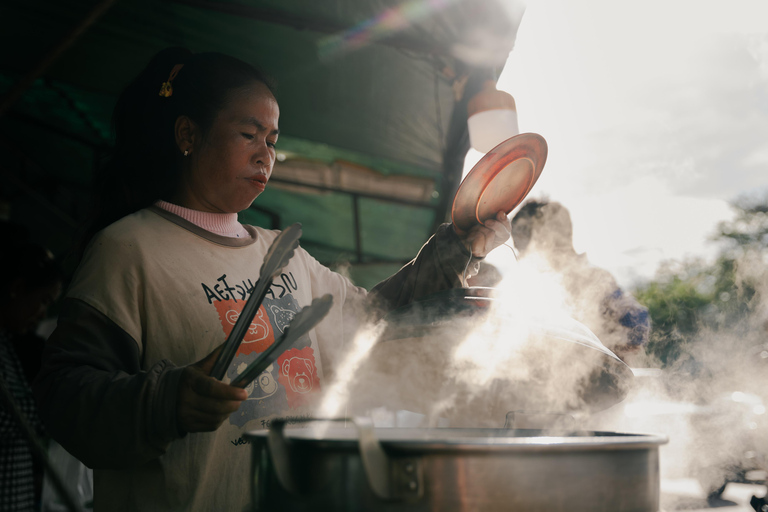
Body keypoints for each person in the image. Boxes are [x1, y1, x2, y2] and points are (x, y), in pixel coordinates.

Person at [32, 48, 509, 512]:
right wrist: (168, 400)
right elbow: (63, 396)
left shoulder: (285, 256)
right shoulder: (128, 250)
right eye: (249, 134)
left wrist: (457, 246)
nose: (266, 155)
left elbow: (374, 320)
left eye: (273, 141)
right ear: (187, 134)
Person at [509, 199, 650, 361]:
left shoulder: (595, 281)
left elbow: (637, 323)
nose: (520, 257)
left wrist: (596, 356)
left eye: (522, 247)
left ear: (547, 240)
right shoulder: (537, 287)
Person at [1, 235, 63, 512]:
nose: (42, 313)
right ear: (17, 288)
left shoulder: (8, 344)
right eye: (43, 300)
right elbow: (10, 415)